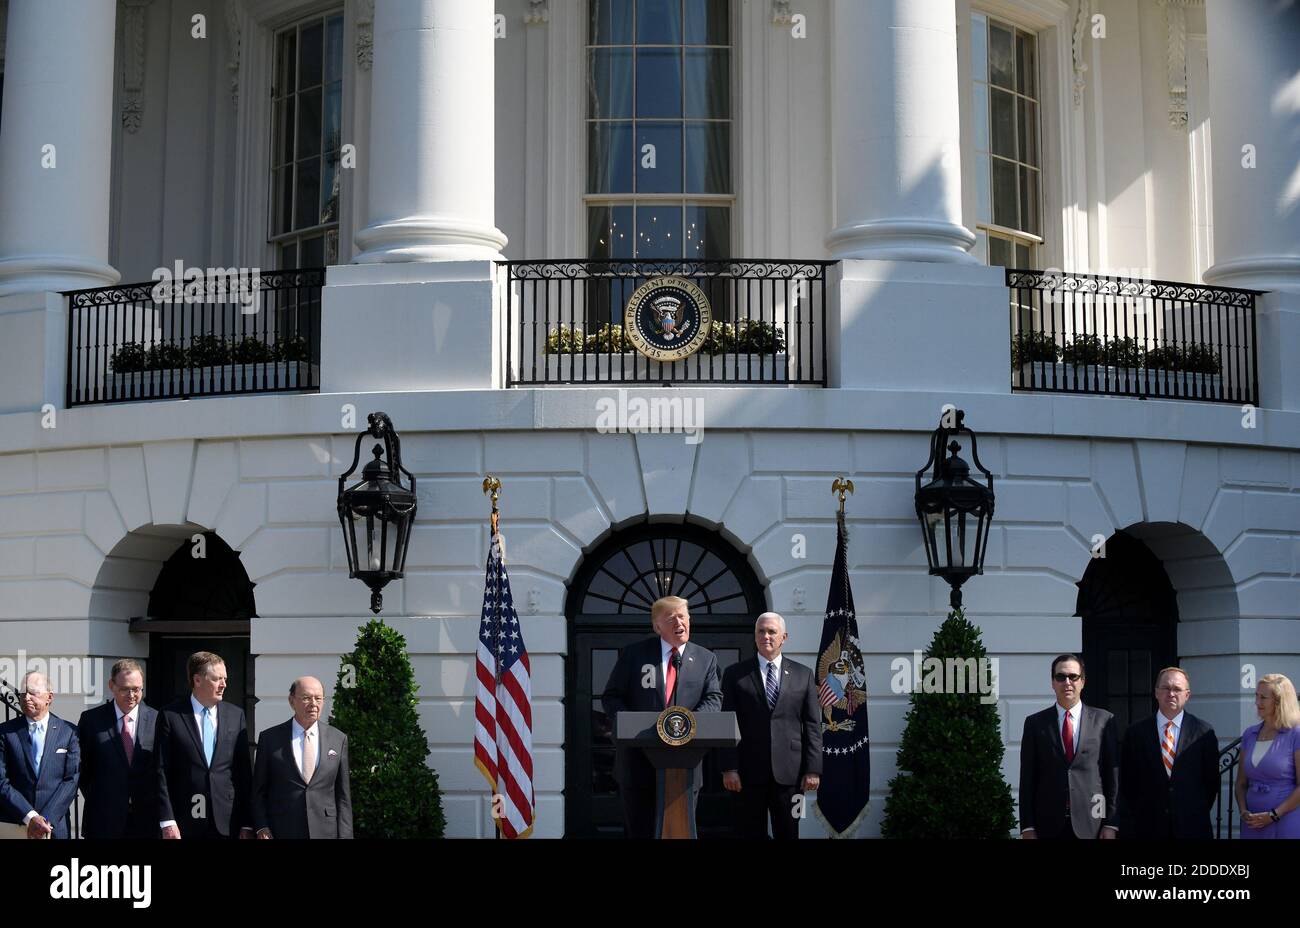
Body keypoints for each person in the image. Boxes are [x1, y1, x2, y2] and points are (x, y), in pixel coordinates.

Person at [601, 595, 722, 838]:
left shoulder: (705, 658)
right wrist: (630, 725)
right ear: (657, 626)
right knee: (640, 831)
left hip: (685, 764)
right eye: (672, 618)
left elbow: (713, 699)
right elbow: (612, 697)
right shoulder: (634, 655)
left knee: (679, 829)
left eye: (683, 616)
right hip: (638, 762)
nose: (680, 622)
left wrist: (688, 725)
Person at [720, 612, 822, 839]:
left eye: (772, 631)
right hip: (746, 775)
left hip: (792, 776)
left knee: (789, 832)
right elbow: (727, 723)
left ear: (784, 637)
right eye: (761, 631)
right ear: (754, 636)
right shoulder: (734, 674)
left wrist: (813, 769)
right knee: (747, 833)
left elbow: (813, 725)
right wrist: (729, 768)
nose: (766, 636)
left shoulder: (803, 675)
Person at [1019, 654, 1119, 839]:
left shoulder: (1104, 720)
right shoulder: (1035, 724)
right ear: (1052, 683)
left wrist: (1111, 823)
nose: (1067, 682)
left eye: (1073, 676)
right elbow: (1027, 779)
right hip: (1047, 825)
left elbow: (1110, 776)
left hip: (1093, 824)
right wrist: (1027, 826)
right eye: (1060, 677)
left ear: (1083, 681)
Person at [155, 651, 253, 839]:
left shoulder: (236, 715)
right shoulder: (171, 715)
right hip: (185, 821)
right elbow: (160, 770)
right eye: (217, 679)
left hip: (228, 821)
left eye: (225, 678)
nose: (224, 684)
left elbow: (243, 772)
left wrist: (247, 822)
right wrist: (167, 820)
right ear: (197, 680)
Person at [1117, 667, 1219, 839]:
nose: (1171, 693)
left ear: (1187, 695)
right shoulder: (1135, 733)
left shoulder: (1203, 732)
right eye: (1166, 688)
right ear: (1156, 692)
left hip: (1191, 827)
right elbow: (1128, 782)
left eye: (1177, 689)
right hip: (1147, 828)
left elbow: (1211, 783)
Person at [252, 676, 353, 839]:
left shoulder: (338, 739)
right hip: (282, 829)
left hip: (325, 831)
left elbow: (343, 796)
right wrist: (261, 826)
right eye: (306, 698)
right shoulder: (270, 739)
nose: (314, 704)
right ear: (292, 701)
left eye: (318, 698)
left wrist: (346, 835)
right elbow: (259, 790)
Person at [77, 658, 159, 838]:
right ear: (111, 686)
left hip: (146, 822)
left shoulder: (157, 720)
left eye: (136, 689)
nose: (131, 695)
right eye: (124, 689)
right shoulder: (91, 720)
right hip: (103, 820)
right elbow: (83, 770)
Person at [0, 671, 80, 838]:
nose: (26, 697)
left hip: (54, 827)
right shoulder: (5, 732)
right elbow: (2, 780)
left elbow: (71, 780)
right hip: (16, 824)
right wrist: (30, 817)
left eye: (33, 692)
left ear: (49, 697)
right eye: (23, 693)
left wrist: (45, 819)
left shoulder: (69, 732)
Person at [1235, 672, 1300, 838]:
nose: (1257, 702)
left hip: (1284, 821)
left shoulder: (1295, 735)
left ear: (1279, 702)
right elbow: (1241, 783)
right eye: (1256, 696)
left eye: (1263, 698)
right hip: (1252, 824)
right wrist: (1243, 811)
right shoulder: (1250, 734)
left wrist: (1273, 815)